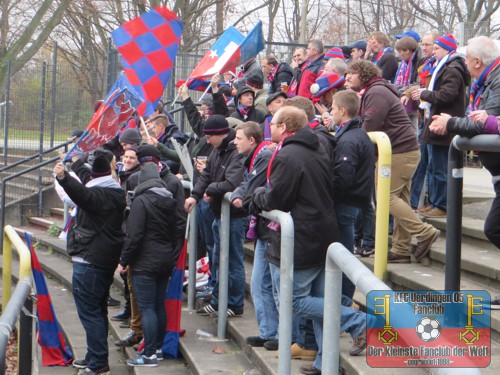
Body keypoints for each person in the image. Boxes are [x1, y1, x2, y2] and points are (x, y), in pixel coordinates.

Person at [251, 107, 367, 375]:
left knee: (294, 301)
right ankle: (325, 363)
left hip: (303, 236)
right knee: (319, 301)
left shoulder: (290, 154)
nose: (270, 128)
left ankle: (359, 321)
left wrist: (258, 196)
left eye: (274, 123)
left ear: (285, 126)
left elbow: (277, 198)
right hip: (320, 231)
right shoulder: (316, 146)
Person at [346, 60, 440, 263]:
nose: (348, 78)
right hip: (402, 151)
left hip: (398, 152)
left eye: (351, 74)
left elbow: (371, 126)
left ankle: (425, 232)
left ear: (363, 74)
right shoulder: (376, 90)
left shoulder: (376, 92)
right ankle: (401, 249)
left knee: (386, 198)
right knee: (401, 200)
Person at [53, 151, 125, 375]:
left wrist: (64, 177)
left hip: (90, 261)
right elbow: (86, 180)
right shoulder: (111, 189)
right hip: (99, 260)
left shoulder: (99, 196)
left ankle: (99, 363)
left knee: (90, 312)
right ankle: (95, 354)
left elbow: (82, 194)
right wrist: (75, 161)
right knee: (97, 310)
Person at [429, 36, 500, 257]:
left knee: (493, 228)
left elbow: (485, 124)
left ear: (477, 62)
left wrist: (450, 123)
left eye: (467, 59)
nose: (465, 64)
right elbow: (480, 119)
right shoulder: (488, 80)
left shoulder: (497, 80)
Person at [184, 115, 247, 317]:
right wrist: (195, 195)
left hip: (234, 216)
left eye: (210, 137)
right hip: (218, 213)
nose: (207, 141)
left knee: (233, 261)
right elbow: (207, 175)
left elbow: (231, 183)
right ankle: (219, 299)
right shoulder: (216, 150)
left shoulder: (236, 152)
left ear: (220, 134)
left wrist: (210, 190)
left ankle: (235, 304)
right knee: (218, 259)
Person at [119, 162, 180, 367]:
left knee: (147, 308)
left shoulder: (141, 201)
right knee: (158, 304)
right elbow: (175, 232)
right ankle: (159, 348)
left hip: (145, 261)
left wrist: (124, 260)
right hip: (164, 259)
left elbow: (134, 235)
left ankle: (150, 354)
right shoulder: (169, 200)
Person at [411, 34, 470, 218]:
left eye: (436, 48)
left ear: (447, 49)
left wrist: (425, 94)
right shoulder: (443, 66)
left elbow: (447, 95)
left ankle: (442, 205)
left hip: (444, 124)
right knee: (433, 167)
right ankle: (436, 202)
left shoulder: (451, 69)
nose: (433, 51)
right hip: (436, 122)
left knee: (441, 168)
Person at [229, 122, 277, 349]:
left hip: (272, 231)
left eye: (238, 138)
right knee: (259, 284)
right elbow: (245, 184)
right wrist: (238, 196)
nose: (235, 142)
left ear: (251, 140)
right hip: (263, 231)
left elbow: (252, 190)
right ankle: (269, 332)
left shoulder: (265, 155)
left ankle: (278, 335)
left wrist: (244, 199)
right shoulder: (254, 157)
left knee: (271, 286)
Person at [330, 90, 375, 302]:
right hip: (352, 203)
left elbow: (343, 177)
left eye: (332, 108)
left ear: (342, 110)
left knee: (345, 257)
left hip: (346, 205)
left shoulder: (349, 139)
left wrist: (331, 197)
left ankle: (344, 302)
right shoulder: (357, 134)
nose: (330, 112)